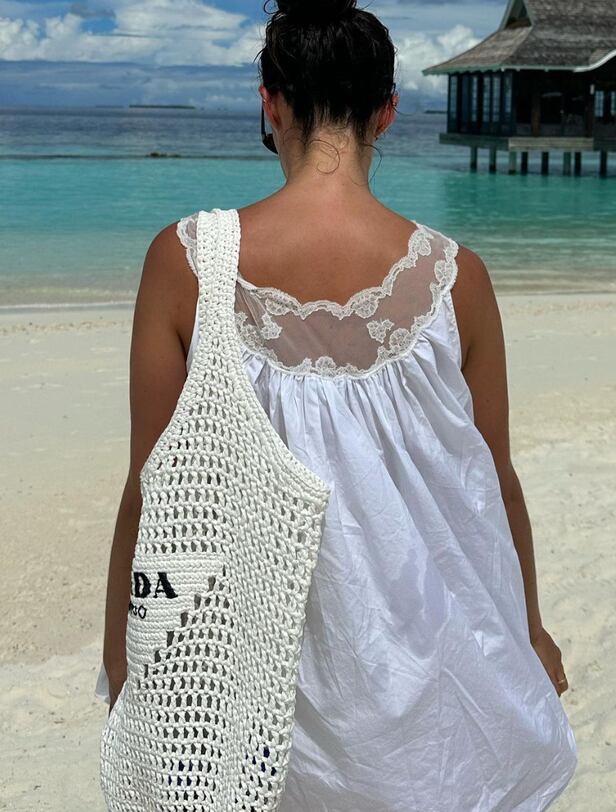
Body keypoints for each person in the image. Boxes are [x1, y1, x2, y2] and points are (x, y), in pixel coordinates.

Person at [96, 0, 578, 809]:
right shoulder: (458, 278)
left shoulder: (185, 264)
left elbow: (153, 488)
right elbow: (493, 481)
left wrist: (124, 656)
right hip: (425, 663)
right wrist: (527, 628)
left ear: (270, 104)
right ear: (387, 112)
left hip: (251, 675)